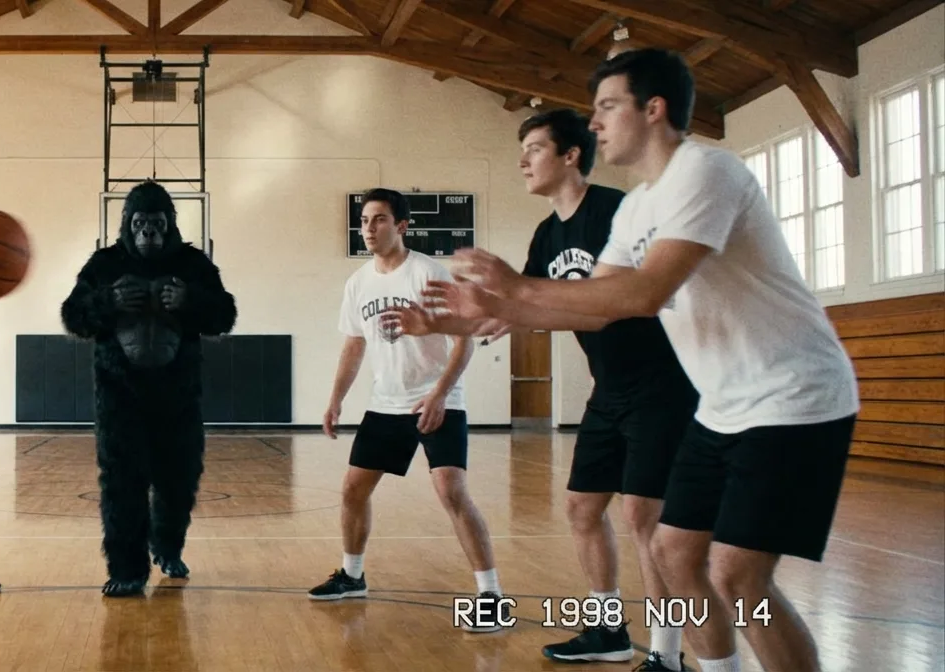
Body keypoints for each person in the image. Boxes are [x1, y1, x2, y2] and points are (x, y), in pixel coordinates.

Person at [427, 48, 859, 672]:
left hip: (793, 398)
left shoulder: (708, 172)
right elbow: (593, 308)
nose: (596, 123)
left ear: (653, 109)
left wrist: (515, 289)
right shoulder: (638, 208)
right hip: (723, 407)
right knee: (676, 553)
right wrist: (459, 314)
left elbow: (645, 294)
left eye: (607, 107)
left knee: (737, 575)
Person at [310, 188, 507, 633]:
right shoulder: (358, 283)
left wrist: (439, 393)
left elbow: (465, 338)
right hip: (386, 404)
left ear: (401, 226)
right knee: (352, 491)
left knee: (451, 491)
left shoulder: (429, 275)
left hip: (437, 400)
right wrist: (336, 398)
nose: (369, 229)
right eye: (364, 221)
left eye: (379, 220)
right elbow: (355, 343)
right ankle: (352, 575)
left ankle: (491, 595)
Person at [58, 180, 237, 597]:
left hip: (179, 395)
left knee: (179, 479)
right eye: (140, 225)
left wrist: (191, 300)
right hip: (120, 396)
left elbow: (223, 317)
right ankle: (126, 567)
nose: (149, 235)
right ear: (127, 225)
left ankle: (168, 547)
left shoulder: (193, 264)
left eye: (156, 225)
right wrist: (108, 301)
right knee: (122, 482)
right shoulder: (104, 264)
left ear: (170, 225)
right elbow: (74, 317)